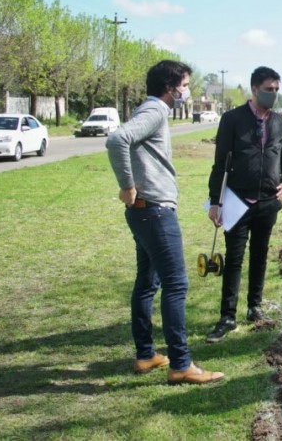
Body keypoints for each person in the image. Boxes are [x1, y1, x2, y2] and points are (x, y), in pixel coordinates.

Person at [106, 60, 224, 385]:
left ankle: (146, 355)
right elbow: (117, 141)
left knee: (147, 282)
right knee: (175, 284)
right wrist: (127, 184)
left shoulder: (150, 110)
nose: (186, 91)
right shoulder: (156, 110)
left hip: (146, 212)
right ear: (170, 87)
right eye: (185, 86)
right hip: (155, 211)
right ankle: (181, 365)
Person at [205, 66, 282, 343]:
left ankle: (254, 307)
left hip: (268, 203)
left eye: (277, 90)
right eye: (269, 90)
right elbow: (220, 163)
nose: (274, 95)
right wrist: (215, 202)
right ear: (254, 89)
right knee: (234, 258)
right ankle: (227, 316)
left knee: (260, 255)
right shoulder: (232, 120)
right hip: (237, 201)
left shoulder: (280, 123)